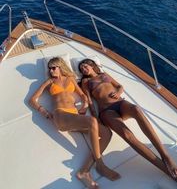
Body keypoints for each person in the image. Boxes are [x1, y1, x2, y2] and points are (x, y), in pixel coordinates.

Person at [79, 59, 177, 189]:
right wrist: (95, 116)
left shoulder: (104, 74)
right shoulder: (86, 82)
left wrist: (119, 93)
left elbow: (119, 86)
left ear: (92, 65)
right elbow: (90, 101)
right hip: (107, 111)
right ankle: (170, 173)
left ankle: (167, 158)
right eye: (81, 69)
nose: (83, 69)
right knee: (127, 135)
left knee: (137, 109)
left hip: (120, 103)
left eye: (85, 65)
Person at [29, 57, 120, 189]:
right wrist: (43, 111)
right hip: (60, 115)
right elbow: (32, 99)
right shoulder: (49, 82)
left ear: (60, 67)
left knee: (107, 133)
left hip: (74, 116)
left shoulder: (70, 79)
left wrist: (84, 106)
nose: (51, 70)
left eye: (53, 67)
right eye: (49, 68)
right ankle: (100, 165)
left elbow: (83, 95)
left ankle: (84, 171)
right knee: (92, 121)